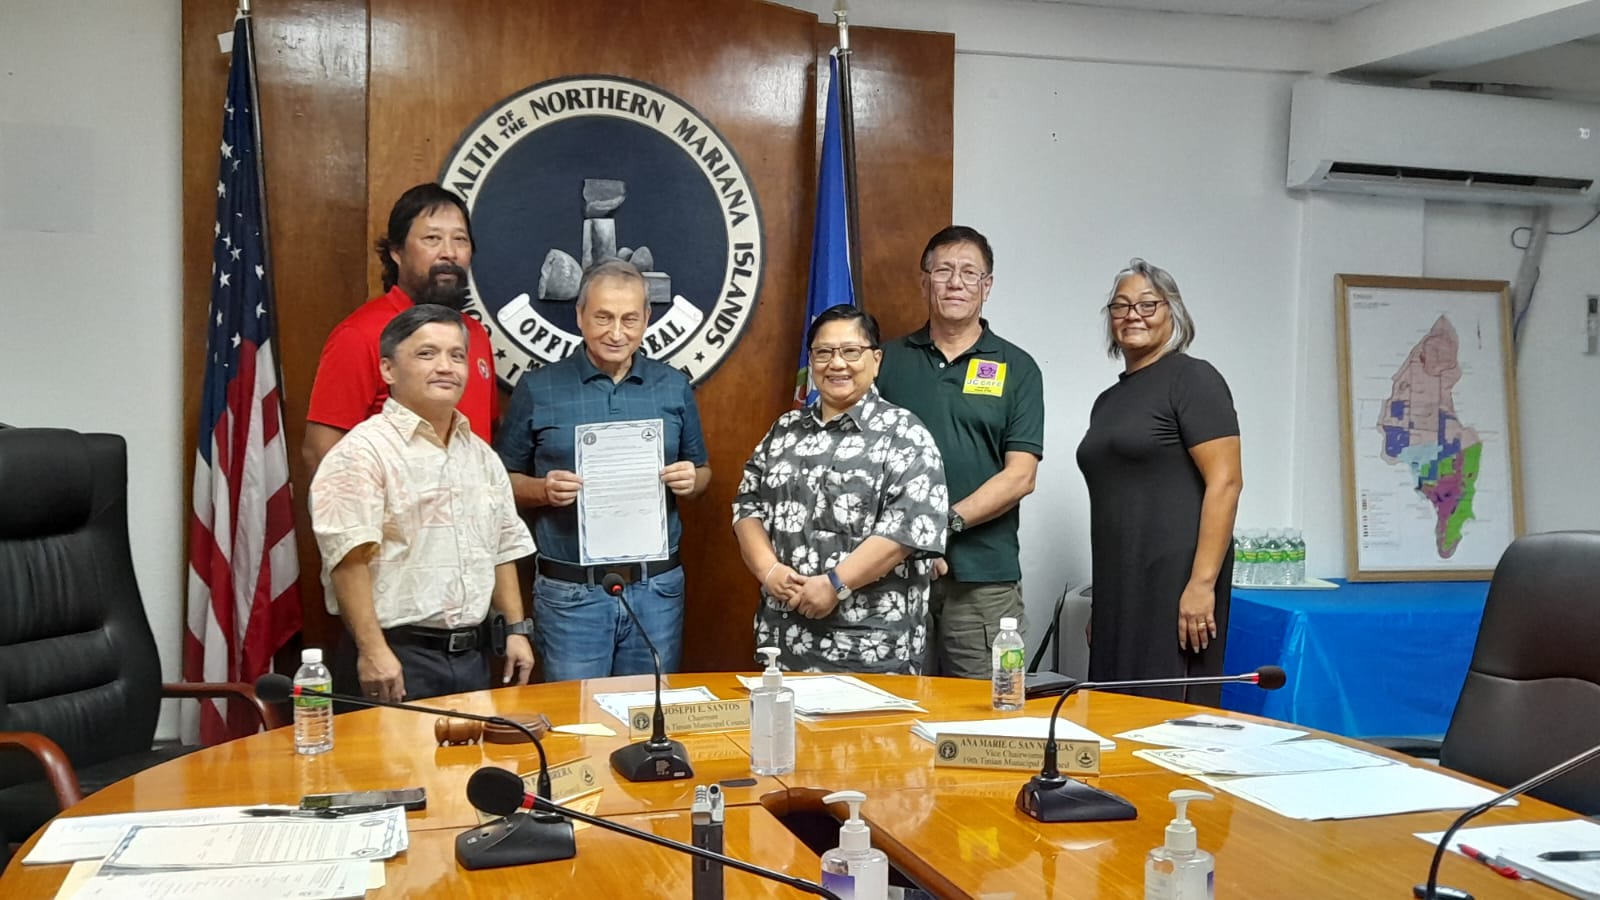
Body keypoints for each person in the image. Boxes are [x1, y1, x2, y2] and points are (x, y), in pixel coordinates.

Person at [495, 258, 711, 681]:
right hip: (571, 592)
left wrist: (691, 480)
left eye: (630, 319)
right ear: (579, 316)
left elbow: (702, 472)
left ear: (647, 318)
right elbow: (500, 481)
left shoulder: (673, 385)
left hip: (656, 589)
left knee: (649, 720)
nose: (617, 333)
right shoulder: (539, 388)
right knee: (577, 723)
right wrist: (542, 490)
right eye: (603, 317)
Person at [309, 304, 536, 703]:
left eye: (457, 355)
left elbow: (502, 546)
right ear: (387, 370)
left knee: (469, 767)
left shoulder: (481, 456)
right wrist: (373, 650)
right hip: (396, 656)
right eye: (426, 354)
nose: (446, 366)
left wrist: (516, 630)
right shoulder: (361, 453)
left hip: (472, 659)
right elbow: (347, 558)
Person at [733, 305, 947, 674]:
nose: (837, 364)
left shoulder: (905, 435)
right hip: (784, 643)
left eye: (851, 351)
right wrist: (769, 571)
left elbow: (906, 530)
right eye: (823, 352)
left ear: (876, 360)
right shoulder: (784, 430)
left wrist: (835, 585)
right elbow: (746, 506)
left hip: (871, 649)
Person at [876, 226, 1044, 679]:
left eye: (970, 273)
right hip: (890, 575)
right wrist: (910, 543)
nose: (956, 283)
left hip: (983, 581)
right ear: (923, 280)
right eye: (944, 270)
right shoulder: (884, 361)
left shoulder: (1017, 368)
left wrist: (939, 527)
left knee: (985, 719)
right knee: (890, 714)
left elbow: (1020, 477)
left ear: (987, 287)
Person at [1076, 258, 1243, 706]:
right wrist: (1102, 604)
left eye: (1148, 304)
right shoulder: (1107, 401)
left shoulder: (1193, 379)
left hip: (1176, 582)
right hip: (1119, 585)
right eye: (1121, 305)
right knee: (1116, 709)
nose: (1133, 314)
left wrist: (1201, 584)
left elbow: (1225, 482)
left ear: (1174, 313)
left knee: (1166, 716)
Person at [302, 183, 499, 474]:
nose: (449, 253)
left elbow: (483, 439)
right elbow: (321, 450)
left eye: (460, 239)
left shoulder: (476, 336)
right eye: (432, 238)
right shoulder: (361, 334)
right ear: (397, 252)